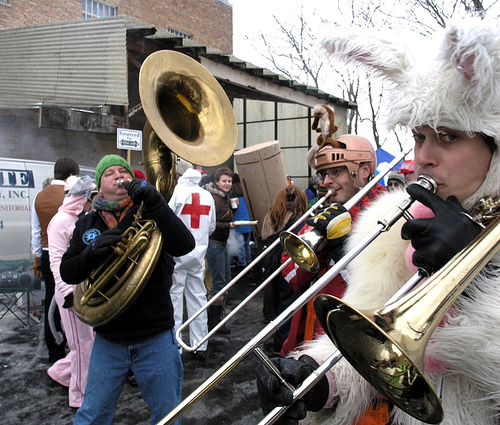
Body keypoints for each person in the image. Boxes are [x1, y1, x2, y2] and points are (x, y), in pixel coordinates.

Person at [257, 17, 500, 424]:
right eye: (420, 136)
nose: (424, 156)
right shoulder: (395, 222)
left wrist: (470, 282)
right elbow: (371, 337)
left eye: (448, 136)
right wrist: (320, 379)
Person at [59, 154, 195, 424]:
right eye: (110, 172)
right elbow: (68, 270)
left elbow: (185, 244)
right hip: (110, 339)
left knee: (168, 414)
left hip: (155, 335)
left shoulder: (150, 214)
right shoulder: (87, 223)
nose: (119, 175)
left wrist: (156, 201)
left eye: (124, 170)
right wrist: (93, 252)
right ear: (100, 184)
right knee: (93, 415)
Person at [280, 134, 386, 356]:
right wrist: (316, 253)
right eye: (324, 174)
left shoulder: (388, 217)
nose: (326, 181)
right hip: (311, 332)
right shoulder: (325, 212)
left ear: (365, 171)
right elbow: (292, 277)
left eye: (336, 171)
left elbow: (385, 296)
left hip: (355, 345)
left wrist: (343, 254)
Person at [47, 175, 96, 408]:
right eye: (91, 197)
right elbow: (56, 260)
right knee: (81, 345)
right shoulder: (59, 222)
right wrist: (67, 293)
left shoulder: (81, 219)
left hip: (84, 291)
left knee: (88, 342)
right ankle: (80, 397)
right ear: (82, 197)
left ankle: (60, 372)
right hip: (71, 293)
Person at [31, 157, 80, 363]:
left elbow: (35, 231)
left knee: (51, 303)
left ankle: (55, 353)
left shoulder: (39, 197)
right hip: (70, 254)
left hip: (46, 252)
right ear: (71, 174)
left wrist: (37, 258)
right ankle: (76, 348)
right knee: (75, 303)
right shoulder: (72, 194)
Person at [168, 166, 216, 361]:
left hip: (178, 255)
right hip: (198, 255)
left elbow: (168, 221)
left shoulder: (178, 194)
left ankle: (175, 345)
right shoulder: (207, 196)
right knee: (198, 297)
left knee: (175, 298)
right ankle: (199, 344)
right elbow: (211, 226)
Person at [259, 184, 308, 353]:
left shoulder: (273, 214)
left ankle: (278, 338)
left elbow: (264, 235)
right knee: (289, 303)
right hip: (289, 263)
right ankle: (284, 342)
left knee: (278, 301)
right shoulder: (302, 218)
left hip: (272, 263)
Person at [205, 166, 236, 335]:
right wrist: (229, 225)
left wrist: (233, 209)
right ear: (216, 182)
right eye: (224, 181)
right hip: (215, 243)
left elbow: (225, 217)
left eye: (229, 181)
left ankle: (217, 320)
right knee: (218, 282)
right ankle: (214, 323)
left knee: (225, 281)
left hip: (221, 244)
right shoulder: (213, 198)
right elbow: (210, 224)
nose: (227, 184)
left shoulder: (223, 197)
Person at [230, 173, 253, 268]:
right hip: (248, 222)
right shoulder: (246, 192)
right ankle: (249, 262)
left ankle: (242, 264)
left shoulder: (232, 193)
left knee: (240, 245)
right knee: (247, 245)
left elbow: (233, 208)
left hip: (238, 222)